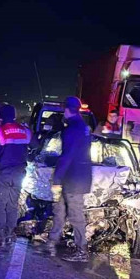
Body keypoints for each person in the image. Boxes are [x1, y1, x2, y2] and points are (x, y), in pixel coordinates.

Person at [48, 97, 92, 262]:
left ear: (67, 110)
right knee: (60, 210)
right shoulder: (83, 127)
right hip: (78, 177)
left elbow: (67, 156)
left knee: (75, 215)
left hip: (73, 179)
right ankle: (52, 241)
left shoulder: (72, 129)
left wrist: (57, 179)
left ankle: (82, 250)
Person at [0, 104, 31, 246]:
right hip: (19, 174)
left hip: (2, 174)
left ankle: (0, 237)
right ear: (15, 116)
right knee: (12, 204)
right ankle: (10, 234)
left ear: (1, 117)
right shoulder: (25, 131)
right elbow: (36, 145)